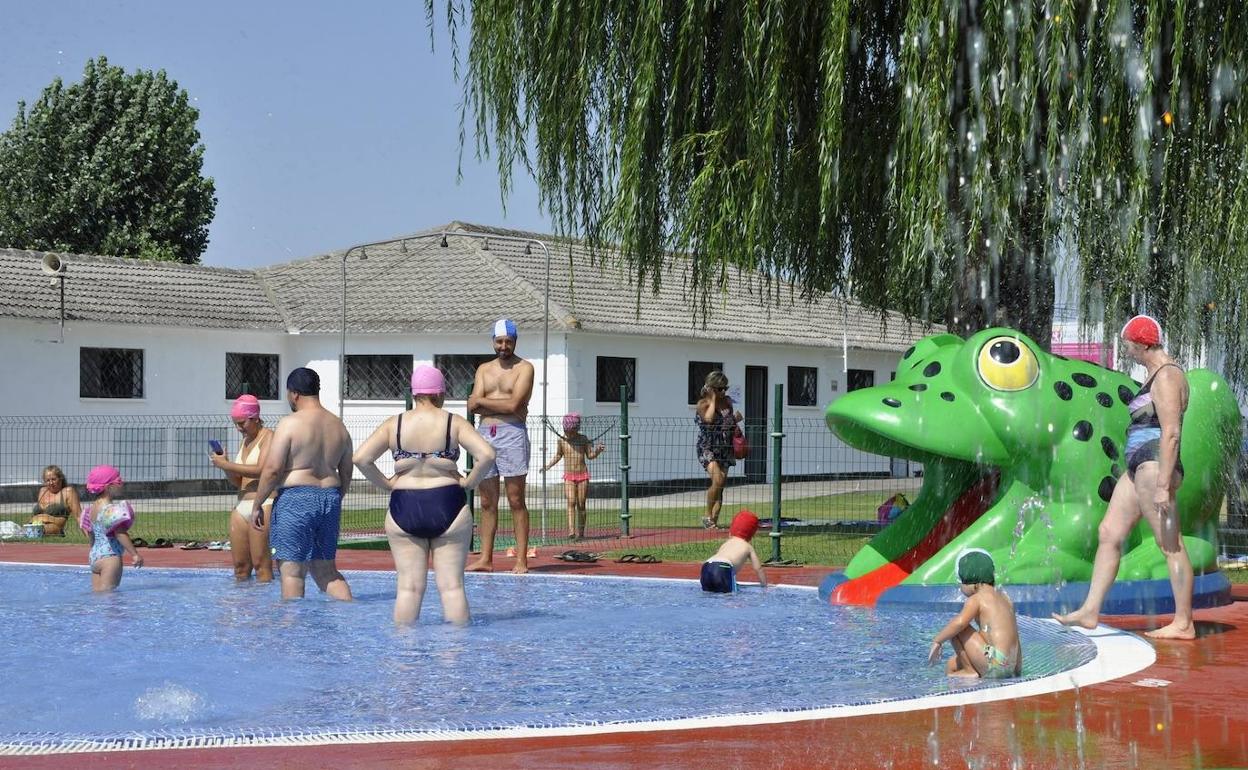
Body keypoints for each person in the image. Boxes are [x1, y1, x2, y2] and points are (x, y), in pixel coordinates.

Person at [1055, 314, 1195, 639]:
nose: (1128, 351)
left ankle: (1184, 622)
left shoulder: (1168, 376)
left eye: (1129, 346)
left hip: (1154, 467)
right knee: (1109, 533)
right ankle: (1090, 611)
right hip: (1138, 470)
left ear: (1143, 343)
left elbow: (1171, 433)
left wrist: (1162, 485)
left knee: (1170, 545)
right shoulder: (1155, 375)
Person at [354, 365, 496, 625]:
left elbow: (361, 458)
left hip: (403, 506)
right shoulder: (453, 422)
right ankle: (454, 656)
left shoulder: (394, 424)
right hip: (448, 504)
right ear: (441, 394)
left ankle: (406, 660)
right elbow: (486, 455)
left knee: (408, 588)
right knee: (451, 587)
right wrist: (468, 482)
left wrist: (386, 483)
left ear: (414, 393)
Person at [251, 367, 354, 601]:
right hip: (330, 496)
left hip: (296, 499)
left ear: (294, 394)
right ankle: (350, 612)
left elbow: (273, 469)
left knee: (292, 573)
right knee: (327, 571)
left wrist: (258, 503)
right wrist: (338, 497)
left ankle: (293, 633)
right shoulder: (338, 426)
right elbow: (347, 469)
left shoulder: (290, 424)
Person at [466, 319, 536, 574]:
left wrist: (483, 401)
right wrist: (492, 403)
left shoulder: (525, 368)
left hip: (512, 434)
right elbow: (471, 406)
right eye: (499, 341)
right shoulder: (484, 369)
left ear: (515, 342)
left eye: (508, 341)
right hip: (486, 434)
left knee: (516, 499)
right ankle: (486, 558)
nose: (504, 346)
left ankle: (521, 560)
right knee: (486, 501)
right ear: (493, 342)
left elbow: (513, 406)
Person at [208, 395, 275, 582]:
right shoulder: (245, 442)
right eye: (235, 424)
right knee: (240, 569)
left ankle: (266, 610)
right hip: (241, 505)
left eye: (242, 423)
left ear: (254, 418)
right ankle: (242, 609)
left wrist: (227, 465)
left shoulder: (269, 437)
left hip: (263, 505)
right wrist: (224, 464)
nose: (238, 428)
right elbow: (239, 481)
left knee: (262, 567)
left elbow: (262, 471)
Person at [928, 549, 1021, 679]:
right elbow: (1015, 635)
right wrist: (1016, 669)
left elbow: (959, 623)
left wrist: (937, 641)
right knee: (951, 665)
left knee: (956, 629)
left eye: (960, 583)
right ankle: (968, 670)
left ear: (970, 583)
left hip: (995, 661)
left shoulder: (976, 599)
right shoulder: (1005, 598)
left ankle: (970, 670)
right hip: (1009, 663)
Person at [80, 465, 142, 592]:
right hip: (110, 558)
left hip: (95, 557)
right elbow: (120, 533)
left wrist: (94, 553)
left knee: (98, 597)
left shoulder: (90, 510)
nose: (122, 484)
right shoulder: (110, 510)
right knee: (110, 599)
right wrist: (135, 554)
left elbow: (91, 536)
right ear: (109, 487)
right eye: (119, 481)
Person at [543, 413, 605, 541]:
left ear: (576, 429)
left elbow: (590, 455)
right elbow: (558, 455)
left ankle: (581, 532)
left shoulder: (583, 439)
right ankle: (571, 531)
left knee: (581, 504)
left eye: (571, 432)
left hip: (582, 475)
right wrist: (548, 465)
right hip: (569, 476)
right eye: (567, 432)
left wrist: (598, 451)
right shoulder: (561, 440)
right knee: (571, 501)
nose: (569, 435)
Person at [695, 370, 742, 529]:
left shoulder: (728, 402)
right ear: (712, 388)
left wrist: (735, 420)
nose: (724, 392)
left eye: (725, 388)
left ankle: (713, 522)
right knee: (718, 479)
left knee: (720, 486)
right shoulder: (703, 404)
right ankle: (707, 516)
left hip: (725, 446)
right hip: (708, 447)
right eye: (720, 389)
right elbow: (708, 420)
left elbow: (728, 423)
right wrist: (713, 399)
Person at [700, 510, 767, 592]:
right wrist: (764, 585)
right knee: (729, 597)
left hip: (706, 567)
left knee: (709, 595)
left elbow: (718, 556)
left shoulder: (726, 543)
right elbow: (758, 568)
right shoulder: (748, 547)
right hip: (723, 567)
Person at [30, 465, 80, 537]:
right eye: (47, 480)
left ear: (60, 479)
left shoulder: (68, 492)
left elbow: (79, 516)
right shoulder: (42, 491)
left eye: (53, 479)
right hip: (34, 527)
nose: (51, 483)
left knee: (35, 532)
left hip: (53, 530)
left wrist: (90, 537)